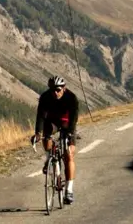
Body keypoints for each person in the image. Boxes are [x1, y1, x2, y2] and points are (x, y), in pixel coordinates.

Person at [32, 75, 79, 205]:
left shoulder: (71, 98)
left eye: (58, 90)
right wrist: (37, 133)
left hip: (67, 123)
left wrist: (70, 132)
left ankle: (69, 191)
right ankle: (49, 158)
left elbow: (74, 118)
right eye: (52, 90)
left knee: (69, 155)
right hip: (52, 122)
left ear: (64, 88)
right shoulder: (45, 97)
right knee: (46, 133)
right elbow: (40, 116)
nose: (55, 93)